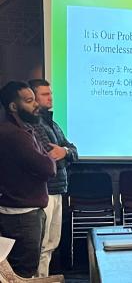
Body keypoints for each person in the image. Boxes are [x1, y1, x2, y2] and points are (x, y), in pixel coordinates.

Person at [0, 81, 56, 278]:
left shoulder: (25, 131)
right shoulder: (15, 135)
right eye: (29, 100)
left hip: (22, 212)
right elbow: (48, 167)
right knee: (23, 273)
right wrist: (50, 156)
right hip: (22, 216)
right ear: (13, 107)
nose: (36, 105)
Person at [26, 79, 78, 277]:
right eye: (45, 94)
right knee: (42, 244)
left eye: (51, 94)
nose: (50, 98)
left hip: (58, 189)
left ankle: (44, 278)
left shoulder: (53, 124)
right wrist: (65, 154)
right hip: (44, 191)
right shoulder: (33, 125)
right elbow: (48, 157)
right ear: (34, 99)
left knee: (51, 243)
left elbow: (71, 151)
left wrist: (65, 152)